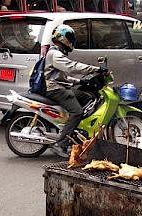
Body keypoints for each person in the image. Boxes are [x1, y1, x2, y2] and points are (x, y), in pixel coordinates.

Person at [43, 24, 105, 158]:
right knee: (77, 112)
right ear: (63, 38)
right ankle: (60, 144)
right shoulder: (55, 54)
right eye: (70, 38)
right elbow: (72, 67)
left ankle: (74, 130)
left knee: (86, 97)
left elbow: (62, 77)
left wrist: (79, 81)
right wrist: (95, 69)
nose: (71, 41)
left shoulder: (55, 52)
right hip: (56, 90)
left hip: (60, 86)